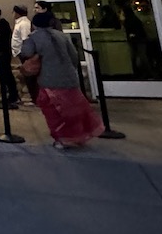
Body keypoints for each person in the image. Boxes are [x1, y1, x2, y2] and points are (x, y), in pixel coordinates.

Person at [19, 11, 105, 148]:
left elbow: (26, 52)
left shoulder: (34, 37)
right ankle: (79, 136)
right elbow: (74, 56)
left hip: (49, 80)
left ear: (34, 24)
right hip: (69, 78)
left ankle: (63, 139)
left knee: (54, 112)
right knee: (75, 110)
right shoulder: (62, 36)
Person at [0, 5, 19, 109]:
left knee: (6, 75)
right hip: (0, 52)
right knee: (4, 75)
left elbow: (0, 36)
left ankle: (12, 97)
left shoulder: (2, 24)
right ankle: (10, 97)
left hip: (4, 53)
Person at [10, 5, 36, 103]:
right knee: (27, 75)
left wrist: (25, 53)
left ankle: (34, 97)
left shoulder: (24, 23)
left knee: (29, 76)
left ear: (17, 13)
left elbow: (26, 39)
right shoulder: (19, 23)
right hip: (21, 53)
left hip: (24, 53)